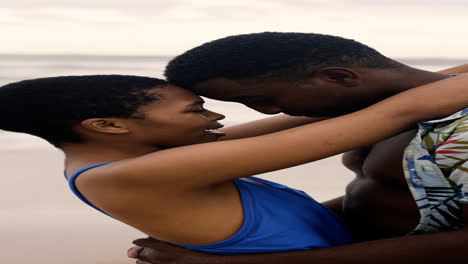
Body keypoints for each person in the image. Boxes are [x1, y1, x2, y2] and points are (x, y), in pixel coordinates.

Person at [2, 74, 468, 258]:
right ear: (107, 124)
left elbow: (315, 117)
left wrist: (430, 76)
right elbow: (378, 119)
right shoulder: (131, 175)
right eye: (197, 110)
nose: (216, 118)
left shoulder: (141, 159)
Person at [128, 32, 468, 263]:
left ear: (338, 77)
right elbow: (396, 195)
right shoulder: (382, 115)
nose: (269, 112)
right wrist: (234, 240)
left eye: (263, 99)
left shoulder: (461, 128)